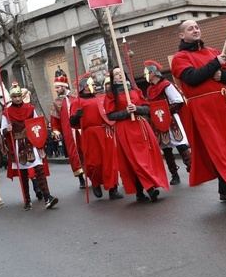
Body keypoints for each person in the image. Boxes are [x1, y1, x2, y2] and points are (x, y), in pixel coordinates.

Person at [171, 20, 226, 210]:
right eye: (190, 28)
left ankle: (224, 188)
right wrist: (214, 65)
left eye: (197, 27)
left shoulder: (213, 52)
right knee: (217, 148)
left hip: (224, 105)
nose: (195, 30)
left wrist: (221, 75)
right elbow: (192, 79)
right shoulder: (180, 58)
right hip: (203, 109)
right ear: (181, 35)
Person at [104, 67, 170, 203]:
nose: (119, 75)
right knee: (135, 159)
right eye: (116, 74)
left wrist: (137, 109)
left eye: (121, 73)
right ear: (113, 78)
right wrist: (126, 112)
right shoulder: (111, 95)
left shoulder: (135, 90)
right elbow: (110, 115)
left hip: (141, 127)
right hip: (125, 129)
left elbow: (147, 108)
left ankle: (142, 191)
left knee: (147, 157)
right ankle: (150, 188)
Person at [1, 81, 58, 211]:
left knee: (39, 168)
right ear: (11, 98)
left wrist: (40, 140)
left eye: (18, 96)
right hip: (18, 144)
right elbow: (3, 131)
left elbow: (38, 123)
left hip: (32, 142)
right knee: (23, 173)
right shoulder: (7, 113)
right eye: (14, 96)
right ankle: (27, 199)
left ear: (21, 96)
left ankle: (47, 197)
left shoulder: (30, 108)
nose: (17, 98)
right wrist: (7, 130)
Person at [69, 72, 123, 200]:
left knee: (110, 162)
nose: (94, 85)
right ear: (85, 87)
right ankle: (96, 182)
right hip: (90, 135)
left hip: (106, 132)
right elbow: (72, 122)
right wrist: (77, 116)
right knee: (95, 163)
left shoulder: (101, 97)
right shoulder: (77, 102)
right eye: (91, 84)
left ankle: (113, 189)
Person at [143, 60, 192, 185]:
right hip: (158, 121)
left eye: (147, 73)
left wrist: (165, 112)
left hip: (171, 119)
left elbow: (178, 101)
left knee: (181, 145)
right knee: (166, 148)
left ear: (153, 73)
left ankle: (192, 169)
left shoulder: (167, 85)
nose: (145, 76)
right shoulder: (149, 89)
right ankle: (174, 175)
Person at [49, 75, 86, 190]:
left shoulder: (76, 96)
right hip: (68, 132)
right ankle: (81, 178)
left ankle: (94, 175)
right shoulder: (56, 102)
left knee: (87, 150)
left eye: (58, 87)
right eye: (55, 88)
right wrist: (56, 131)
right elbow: (54, 120)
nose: (56, 90)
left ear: (64, 87)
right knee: (74, 155)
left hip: (82, 128)